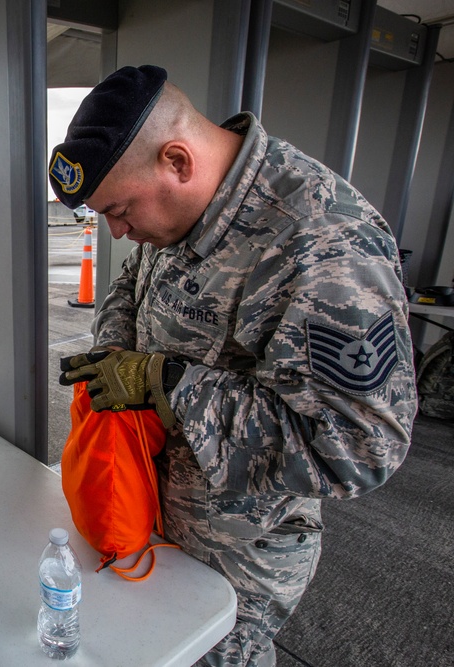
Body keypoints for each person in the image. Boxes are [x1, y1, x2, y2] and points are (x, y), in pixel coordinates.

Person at [51, 65, 416, 666]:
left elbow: (359, 446)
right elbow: (131, 283)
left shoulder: (321, 240)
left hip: (238, 556)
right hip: (152, 515)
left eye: (118, 209)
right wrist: (116, 350)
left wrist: (166, 384)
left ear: (177, 160)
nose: (116, 230)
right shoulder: (173, 216)